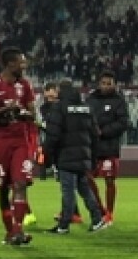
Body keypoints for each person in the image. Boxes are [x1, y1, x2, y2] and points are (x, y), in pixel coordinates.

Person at [0, 47, 38, 246]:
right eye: (21, 62)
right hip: (0, 142)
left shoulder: (26, 85)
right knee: (3, 188)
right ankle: (10, 231)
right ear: (10, 64)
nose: (24, 66)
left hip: (20, 141)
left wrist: (22, 113)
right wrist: (6, 109)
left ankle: (18, 230)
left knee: (20, 184)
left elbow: (33, 114)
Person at [43, 81, 109, 234]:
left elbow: (53, 135)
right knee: (85, 189)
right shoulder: (87, 108)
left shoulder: (59, 108)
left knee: (68, 191)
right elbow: (95, 134)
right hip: (83, 156)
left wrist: (48, 156)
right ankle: (97, 219)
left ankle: (64, 225)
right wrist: (92, 158)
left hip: (66, 156)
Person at [87, 69, 128, 225]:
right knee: (87, 178)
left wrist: (103, 131)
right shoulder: (91, 99)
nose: (105, 86)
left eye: (109, 84)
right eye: (103, 83)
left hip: (110, 147)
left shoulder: (119, 101)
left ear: (114, 85)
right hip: (91, 147)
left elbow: (123, 123)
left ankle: (109, 213)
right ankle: (100, 209)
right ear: (99, 84)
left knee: (109, 179)